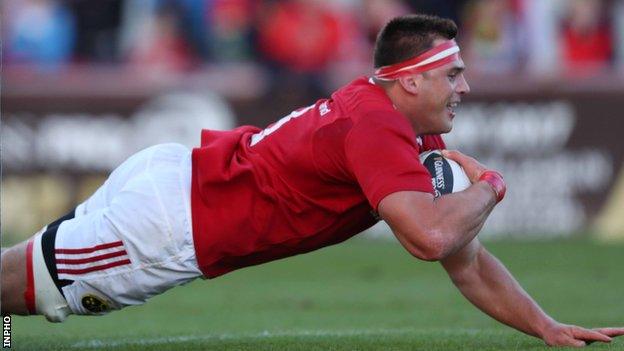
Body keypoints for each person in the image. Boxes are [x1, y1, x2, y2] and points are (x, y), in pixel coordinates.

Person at [2, 14, 623, 347]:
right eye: (453, 74)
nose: (465, 87)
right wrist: (490, 187)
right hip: (172, 227)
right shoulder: (378, 129)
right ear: (410, 80)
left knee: (17, 277)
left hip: (176, 176)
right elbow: (430, 240)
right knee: (19, 289)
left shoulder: (396, 122)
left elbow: (466, 259)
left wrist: (545, 325)